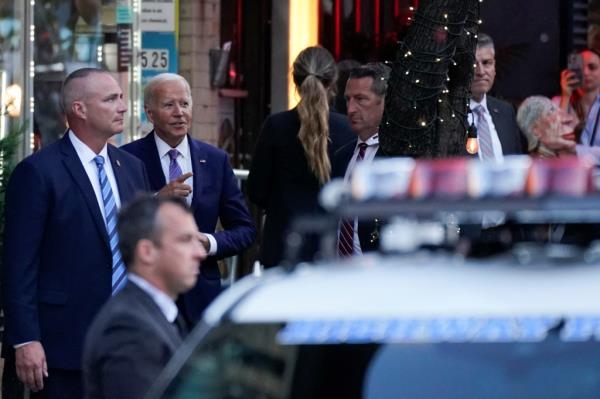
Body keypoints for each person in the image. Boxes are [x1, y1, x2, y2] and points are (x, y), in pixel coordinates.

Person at [1, 68, 150, 398]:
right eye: (111, 99)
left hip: (126, 344)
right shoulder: (38, 173)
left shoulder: (132, 168)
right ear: (79, 109)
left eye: (122, 98)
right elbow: (18, 264)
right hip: (61, 349)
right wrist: (25, 340)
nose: (123, 106)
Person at [121, 73, 255, 325]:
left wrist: (208, 242)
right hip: (149, 295)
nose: (179, 112)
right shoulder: (127, 158)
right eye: (169, 105)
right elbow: (117, 225)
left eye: (184, 104)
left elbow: (245, 230)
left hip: (201, 294)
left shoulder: (215, 160)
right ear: (150, 114)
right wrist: (156, 199)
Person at [83, 195, 206, 399]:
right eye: (185, 240)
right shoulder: (129, 328)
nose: (200, 252)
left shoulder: (152, 313)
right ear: (147, 252)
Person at [247, 46, 355, 267]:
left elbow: (256, 190)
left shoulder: (275, 126)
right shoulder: (348, 129)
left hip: (283, 245)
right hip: (332, 247)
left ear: (295, 81)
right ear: (333, 82)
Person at [332, 62, 391, 256]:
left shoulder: (396, 158)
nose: (350, 109)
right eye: (348, 99)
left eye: (360, 99)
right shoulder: (341, 157)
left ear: (385, 101)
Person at [469, 33, 525, 159]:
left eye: (486, 63)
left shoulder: (506, 111)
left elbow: (517, 164)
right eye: (473, 64)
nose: (481, 72)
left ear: (494, 67)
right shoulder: (444, 116)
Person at [553, 48, 600, 141]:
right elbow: (553, 139)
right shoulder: (557, 102)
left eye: (592, 67)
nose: (586, 73)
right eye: (580, 68)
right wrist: (566, 97)